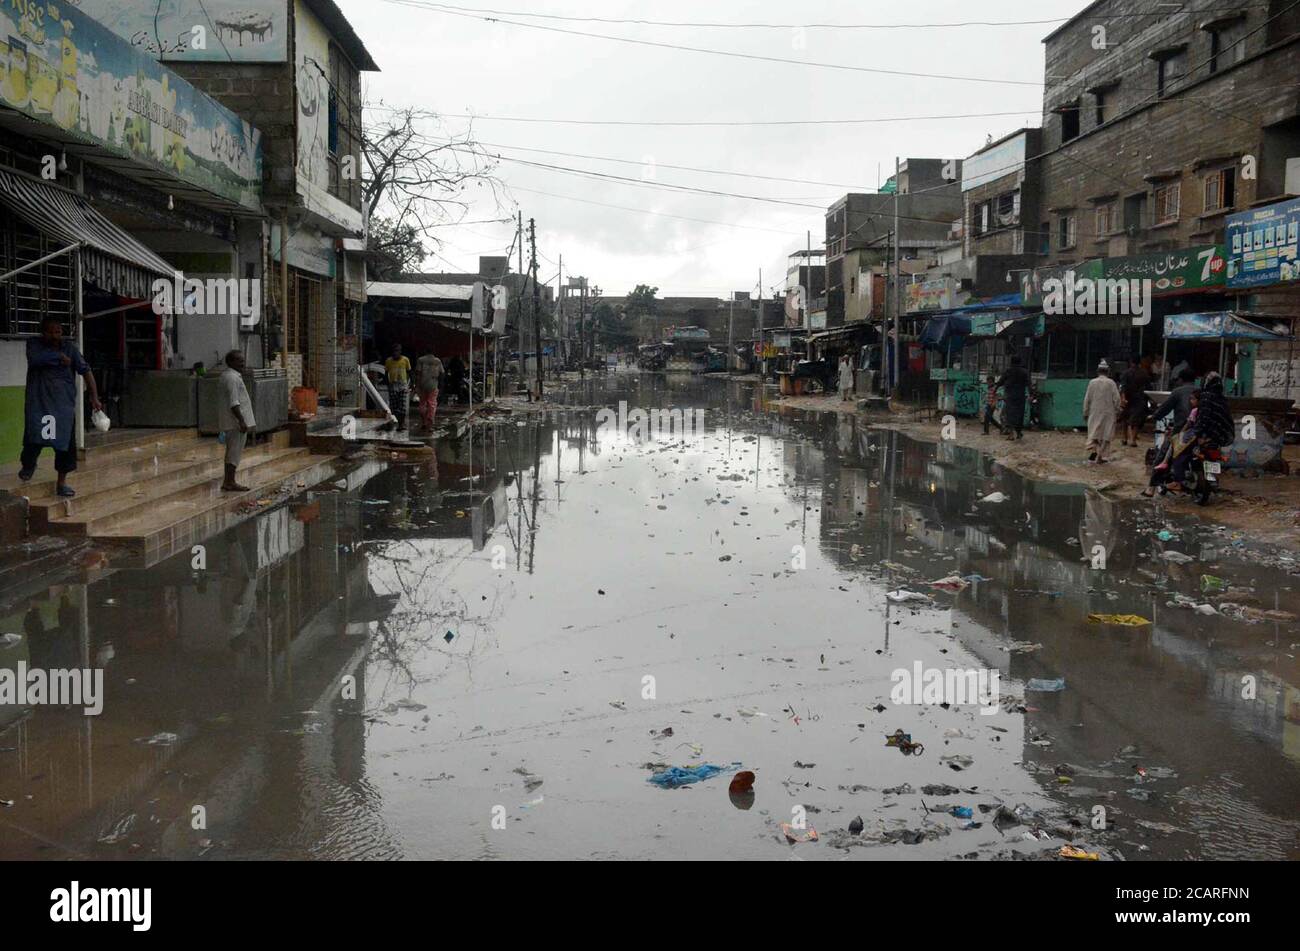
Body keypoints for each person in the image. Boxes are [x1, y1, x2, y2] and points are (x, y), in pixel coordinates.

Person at [18, 316, 103, 499]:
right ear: (43, 332)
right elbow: (35, 360)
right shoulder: (34, 345)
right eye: (51, 332)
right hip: (39, 404)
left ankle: (62, 483)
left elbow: (86, 371)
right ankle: (28, 465)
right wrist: (57, 357)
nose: (55, 335)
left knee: (64, 447)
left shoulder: (70, 349)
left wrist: (94, 397)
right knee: (34, 440)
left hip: (62, 407)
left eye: (58, 331)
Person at [219, 351, 256, 492]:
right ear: (231, 362)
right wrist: (241, 421)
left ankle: (229, 480)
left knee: (233, 452)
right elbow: (234, 403)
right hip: (234, 423)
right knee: (233, 453)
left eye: (243, 360)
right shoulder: (232, 378)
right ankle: (229, 482)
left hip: (232, 422)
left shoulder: (229, 376)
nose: (243, 363)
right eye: (239, 361)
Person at [1083, 359, 1122, 463]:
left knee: (1094, 433)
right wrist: (1118, 410)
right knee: (1106, 435)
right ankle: (1101, 456)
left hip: (1094, 412)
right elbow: (1117, 399)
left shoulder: (1092, 382)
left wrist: (1085, 412)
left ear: (1098, 371)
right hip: (1108, 413)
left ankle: (1095, 451)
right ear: (1108, 371)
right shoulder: (1111, 383)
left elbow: (1087, 399)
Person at [1118, 357, 1153, 447]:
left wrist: (1123, 399)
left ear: (1131, 362)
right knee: (1136, 421)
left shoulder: (1126, 373)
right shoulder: (1144, 373)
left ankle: (1125, 438)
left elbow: (1123, 387)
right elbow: (1149, 387)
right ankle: (1133, 439)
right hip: (1140, 399)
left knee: (1125, 419)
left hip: (1128, 398)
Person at [996, 356, 1030, 440]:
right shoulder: (1024, 372)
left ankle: (1011, 434)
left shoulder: (1008, 371)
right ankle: (1018, 433)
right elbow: (1029, 384)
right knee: (1019, 414)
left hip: (1010, 396)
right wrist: (1032, 394)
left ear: (1011, 362)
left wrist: (995, 388)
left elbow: (1000, 382)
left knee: (1010, 414)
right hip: (1020, 396)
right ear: (1020, 362)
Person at [384, 344, 412, 429]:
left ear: (400, 351)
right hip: (393, 385)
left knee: (403, 407)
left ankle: (401, 424)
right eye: (394, 351)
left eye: (397, 351)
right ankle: (395, 421)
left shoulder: (405, 360)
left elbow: (409, 372)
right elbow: (386, 373)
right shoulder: (388, 361)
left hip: (403, 385)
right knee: (394, 407)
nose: (395, 353)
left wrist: (412, 384)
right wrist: (388, 384)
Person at [416, 350, 445, 430]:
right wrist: (441, 386)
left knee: (422, 404)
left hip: (423, 385)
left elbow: (418, 374)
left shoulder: (420, 360)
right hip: (433, 385)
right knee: (432, 405)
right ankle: (430, 424)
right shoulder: (437, 361)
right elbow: (442, 373)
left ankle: (424, 422)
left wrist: (417, 386)